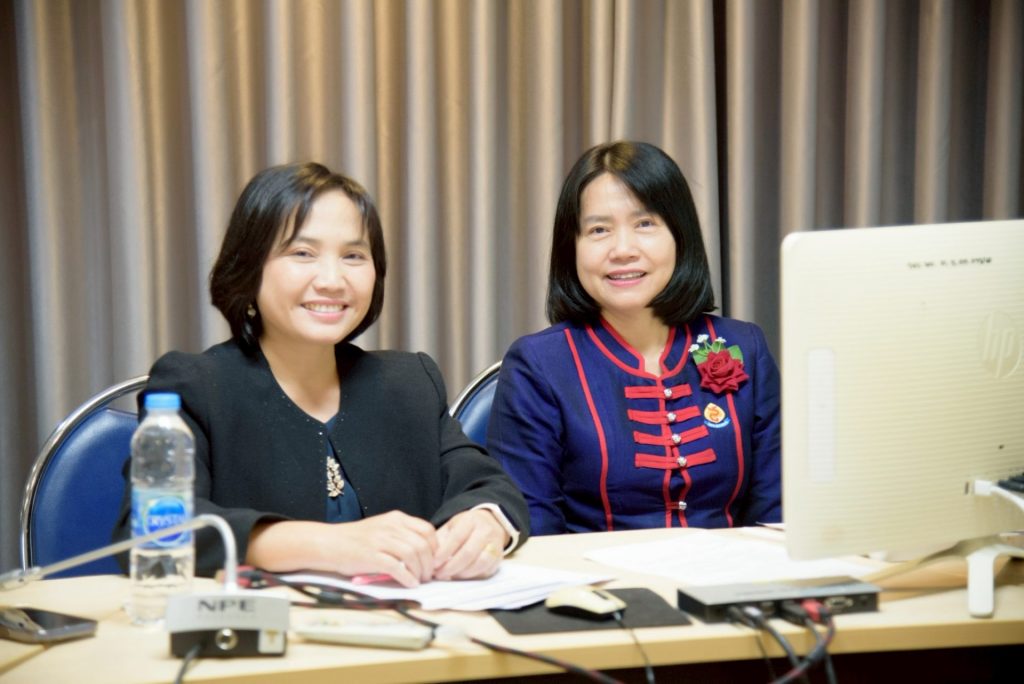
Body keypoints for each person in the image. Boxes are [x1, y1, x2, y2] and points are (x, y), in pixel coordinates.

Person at [114, 162, 529, 586]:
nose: (332, 280)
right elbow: (148, 530)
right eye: (302, 253)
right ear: (249, 269)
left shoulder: (408, 383)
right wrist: (328, 545)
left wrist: (486, 522)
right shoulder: (196, 387)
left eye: (353, 256)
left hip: (410, 622)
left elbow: (491, 487)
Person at [487, 141, 780, 536]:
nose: (623, 250)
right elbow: (533, 529)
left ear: (679, 235)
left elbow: (778, 515)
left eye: (645, 224)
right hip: (589, 576)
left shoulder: (744, 347)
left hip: (730, 574)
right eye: (599, 230)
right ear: (572, 248)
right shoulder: (539, 365)